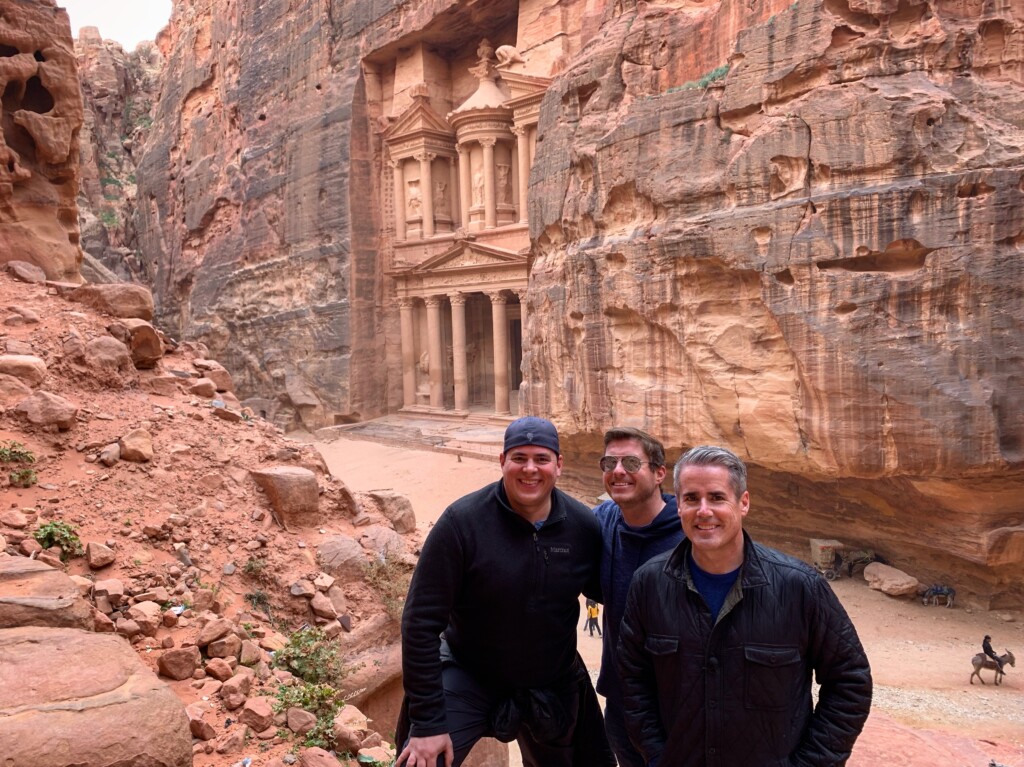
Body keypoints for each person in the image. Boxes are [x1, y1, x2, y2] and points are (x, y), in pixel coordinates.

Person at [617, 445, 872, 766]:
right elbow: (632, 678)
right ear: (678, 506)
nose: (704, 510)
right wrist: (658, 755)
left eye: (717, 497)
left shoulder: (799, 587)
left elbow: (851, 681)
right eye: (692, 498)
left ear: (744, 503)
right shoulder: (650, 584)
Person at [396, 416, 614, 767]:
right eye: (519, 458)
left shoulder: (582, 526)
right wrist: (427, 722)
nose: (530, 469)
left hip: (551, 678)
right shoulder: (461, 523)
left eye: (541, 459)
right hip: (470, 674)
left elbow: (611, 590)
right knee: (422, 760)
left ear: (559, 465)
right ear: (502, 462)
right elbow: (420, 623)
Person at [592, 427, 683, 767]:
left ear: (660, 473)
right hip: (621, 701)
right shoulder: (603, 522)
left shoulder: (691, 533)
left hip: (677, 707)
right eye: (609, 462)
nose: (618, 471)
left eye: (631, 462)